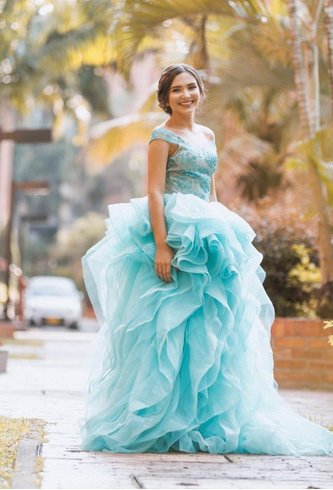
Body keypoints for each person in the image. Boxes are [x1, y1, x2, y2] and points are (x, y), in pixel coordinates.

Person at [79, 63, 333, 455]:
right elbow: (154, 193)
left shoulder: (209, 134)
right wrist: (163, 245)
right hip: (176, 236)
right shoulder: (161, 138)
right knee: (168, 327)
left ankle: (204, 417)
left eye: (191, 87)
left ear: (200, 92)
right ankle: (163, 419)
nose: (186, 95)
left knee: (211, 328)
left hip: (210, 235)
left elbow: (212, 194)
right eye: (177, 90)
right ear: (166, 99)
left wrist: (223, 233)